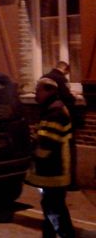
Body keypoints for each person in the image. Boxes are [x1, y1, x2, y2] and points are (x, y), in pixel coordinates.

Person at [26, 77, 76, 238]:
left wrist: (32, 150)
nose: (35, 94)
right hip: (53, 171)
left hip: (53, 171)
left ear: (48, 91)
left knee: (54, 209)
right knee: (50, 207)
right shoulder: (53, 109)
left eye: (38, 90)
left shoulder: (55, 113)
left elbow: (46, 145)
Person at [43, 61, 82, 190]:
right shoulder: (60, 79)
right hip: (63, 119)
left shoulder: (44, 77)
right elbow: (67, 98)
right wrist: (74, 97)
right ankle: (70, 183)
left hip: (46, 118)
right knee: (68, 150)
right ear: (65, 69)